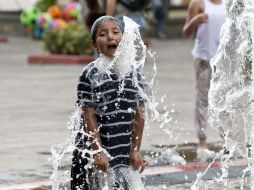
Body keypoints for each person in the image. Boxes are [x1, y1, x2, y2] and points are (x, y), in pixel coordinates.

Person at [71, 15, 147, 189]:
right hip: (93, 152)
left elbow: (140, 112)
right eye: (103, 34)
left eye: (115, 32)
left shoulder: (134, 73)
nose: (111, 37)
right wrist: (98, 151)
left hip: (122, 151)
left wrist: (135, 149)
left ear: (123, 38)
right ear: (94, 44)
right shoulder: (90, 74)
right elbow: (87, 114)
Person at [182, 0, 225, 162]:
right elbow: (186, 32)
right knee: (203, 101)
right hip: (204, 60)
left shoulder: (229, 3)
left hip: (224, 60)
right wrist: (194, 21)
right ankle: (202, 142)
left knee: (226, 102)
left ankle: (228, 142)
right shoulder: (198, 3)